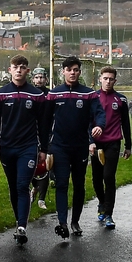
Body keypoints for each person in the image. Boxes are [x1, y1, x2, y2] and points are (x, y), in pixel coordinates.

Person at [0, 55, 48, 244]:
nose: (19, 70)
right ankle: (18, 218)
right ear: (9, 70)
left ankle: (21, 226)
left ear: (27, 71)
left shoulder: (37, 95)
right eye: (15, 67)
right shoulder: (0, 94)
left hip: (28, 148)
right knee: (13, 187)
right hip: (7, 147)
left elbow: (44, 125)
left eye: (22, 67)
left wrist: (43, 148)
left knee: (22, 185)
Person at [46, 56, 105, 239]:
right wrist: (45, 144)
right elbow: (45, 120)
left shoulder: (89, 94)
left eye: (76, 70)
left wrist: (99, 126)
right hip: (59, 147)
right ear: (62, 71)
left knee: (79, 185)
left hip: (80, 147)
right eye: (69, 69)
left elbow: (99, 114)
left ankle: (75, 221)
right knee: (62, 183)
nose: (72, 72)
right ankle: (62, 222)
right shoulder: (53, 94)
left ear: (80, 72)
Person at [91, 66, 132, 230]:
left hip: (113, 142)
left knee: (108, 177)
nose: (108, 81)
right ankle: (101, 202)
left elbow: (126, 124)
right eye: (105, 78)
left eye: (111, 79)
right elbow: (87, 121)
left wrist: (128, 146)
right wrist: (89, 141)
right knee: (96, 178)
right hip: (96, 143)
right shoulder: (93, 97)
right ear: (100, 78)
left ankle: (109, 214)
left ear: (115, 80)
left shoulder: (120, 100)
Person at [29, 67, 50, 210]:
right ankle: (35, 188)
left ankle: (41, 198)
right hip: (31, 134)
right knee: (31, 165)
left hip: (48, 133)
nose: (39, 80)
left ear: (46, 79)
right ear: (32, 79)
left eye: (41, 77)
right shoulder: (29, 93)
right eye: (36, 77)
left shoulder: (50, 94)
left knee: (46, 166)